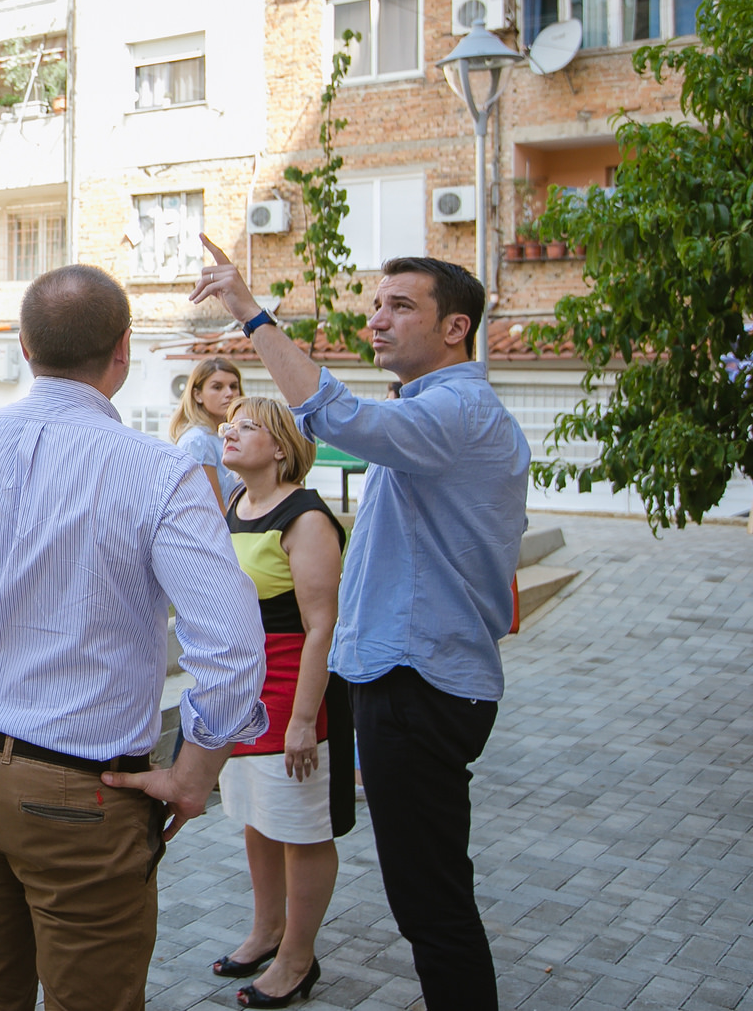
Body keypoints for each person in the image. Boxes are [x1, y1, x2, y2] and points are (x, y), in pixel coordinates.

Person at [0, 264, 269, 1011]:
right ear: (123, 351)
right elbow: (234, 644)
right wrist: (195, 771)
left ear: (22, 345)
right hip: (80, 792)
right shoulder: (161, 471)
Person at [191, 237, 529, 1011]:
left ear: (457, 328)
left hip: (418, 682)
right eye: (375, 304)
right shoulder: (438, 411)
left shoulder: (455, 409)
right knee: (428, 888)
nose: (377, 320)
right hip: (414, 678)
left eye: (400, 305)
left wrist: (249, 309)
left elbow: (332, 411)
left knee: (429, 897)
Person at [210, 395, 350, 1010]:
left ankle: (298, 957)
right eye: (228, 424)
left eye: (245, 426)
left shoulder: (307, 517)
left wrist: (301, 721)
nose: (228, 431)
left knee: (300, 826)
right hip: (245, 689)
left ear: (280, 445)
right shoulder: (238, 502)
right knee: (256, 816)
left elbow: (323, 627)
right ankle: (266, 930)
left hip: (294, 686)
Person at [170, 357, 245, 506]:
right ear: (197, 395)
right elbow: (214, 510)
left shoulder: (228, 435)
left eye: (234, 386)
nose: (229, 393)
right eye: (217, 387)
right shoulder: (198, 441)